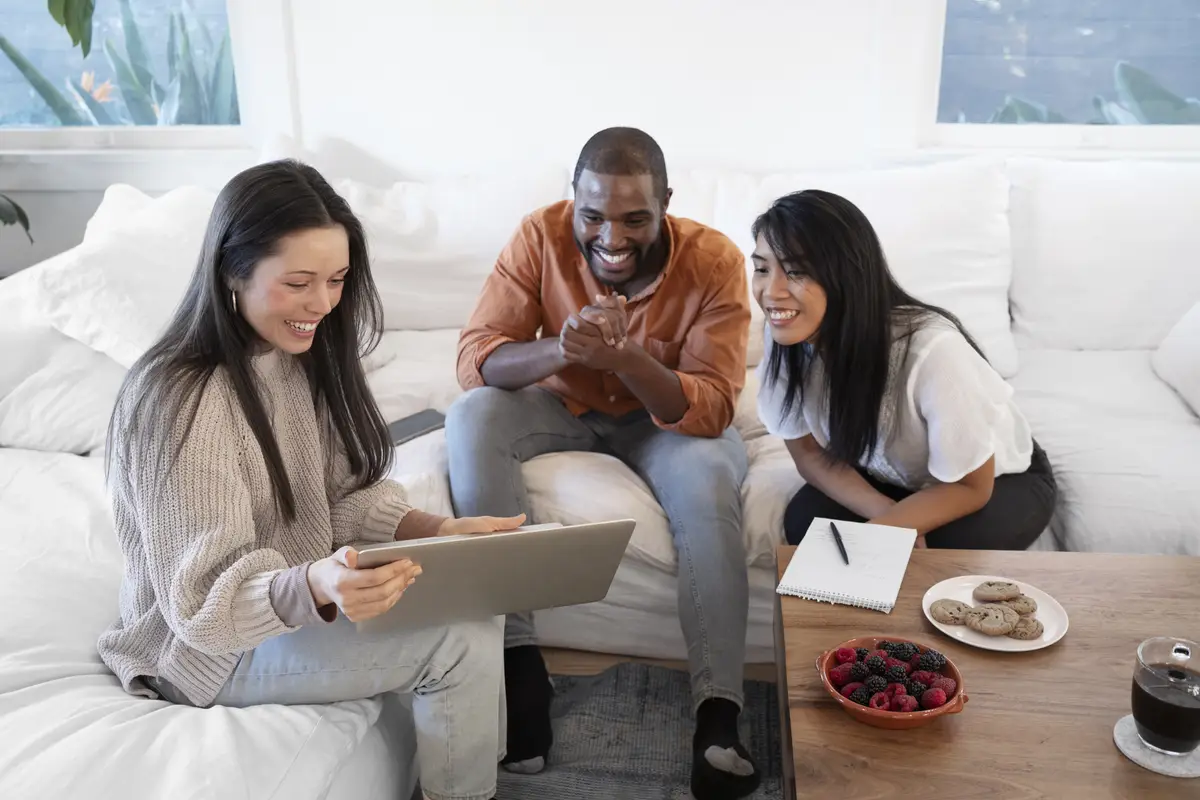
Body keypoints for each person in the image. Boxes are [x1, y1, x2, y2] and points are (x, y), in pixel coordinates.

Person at [97, 159, 524, 800]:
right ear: (231, 273)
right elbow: (201, 607)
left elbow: (346, 497)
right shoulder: (179, 400)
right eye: (298, 282)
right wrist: (317, 584)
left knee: (474, 605)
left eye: (337, 280)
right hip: (203, 653)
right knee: (456, 641)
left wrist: (441, 532)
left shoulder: (294, 356)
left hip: (283, 608)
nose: (323, 304)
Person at [446, 127, 761, 800]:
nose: (610, 237)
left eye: (634, 219)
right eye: (593, 216)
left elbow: (709, 408)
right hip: (563, 405)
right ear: (574, 201)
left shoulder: (715, 261)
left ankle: (719, 716)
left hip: (663, 420)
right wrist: (564, 349)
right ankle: (520, 666)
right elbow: (478, 357)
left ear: (666, 204)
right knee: (471, 416)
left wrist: (629, 359)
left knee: (709, 481)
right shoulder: (540, 235)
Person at [751, 189, 1057, 549]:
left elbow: (971, 486)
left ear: (845, 274)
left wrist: (890, 533)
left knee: (942, 548)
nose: (771, 291)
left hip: (993, 478)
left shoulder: (933, 351)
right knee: (806, 522)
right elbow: (809, 454)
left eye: (795, 271)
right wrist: (889, 518)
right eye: (761, 268)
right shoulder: (783, 336)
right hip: (889, 474)